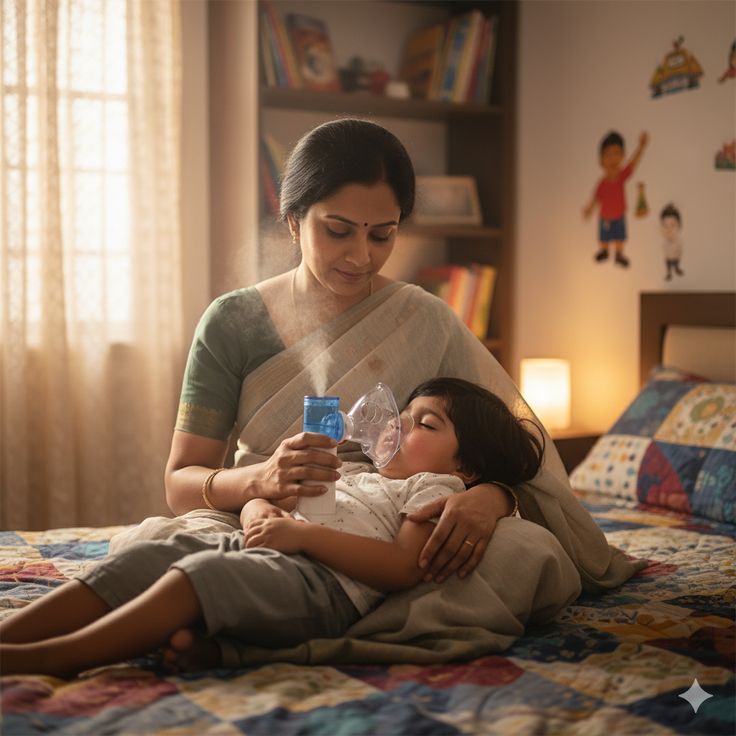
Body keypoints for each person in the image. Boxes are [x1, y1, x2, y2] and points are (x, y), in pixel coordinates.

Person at [118, 118, 641, 647]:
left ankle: (245, 628)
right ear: (294, 221)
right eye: (338, 230)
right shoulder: (231, 323)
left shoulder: (423, 319)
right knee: (163, 550)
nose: (360, 256)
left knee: (525, 552)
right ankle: (276, 619)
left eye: (382, 234)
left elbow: (505, 449)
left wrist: (493, 498)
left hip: (394, 528)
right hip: (261, 518)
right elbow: (181, 482)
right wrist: (260, 481)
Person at [0, 378, 545, 678]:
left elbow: (401, 568)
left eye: (426, 424)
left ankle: (52, 658)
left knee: (200, 575)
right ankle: (13, 635)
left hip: (321, 586)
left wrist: (302, 537)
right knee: (149, 560)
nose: (399, 425)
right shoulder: (355, 471)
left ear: (466, 467)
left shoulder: (437, 491)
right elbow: (276, 507)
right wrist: (261, 509)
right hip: (272, 554)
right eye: (403, 414)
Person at [583, 130, 649, 267]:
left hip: (619, 216)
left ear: (622, 157)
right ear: (601, 161)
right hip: (605, 217)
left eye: (617, 154)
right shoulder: (602, 183)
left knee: (620, 237)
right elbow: (596, 198)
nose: (613, 159)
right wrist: (589, 209)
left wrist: (641, 147)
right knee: (604, 237)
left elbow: (633, 164)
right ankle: (604, 250)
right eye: (608, 155)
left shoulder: (622, 177)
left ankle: (619, 255)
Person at [659, 203, 684, 281]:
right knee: (668, 265)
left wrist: (678, 255)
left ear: (679, 226)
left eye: (673, 225)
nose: (669, 230)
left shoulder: (679, 242)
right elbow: (664, 251)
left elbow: (680, 250)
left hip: (676, 257)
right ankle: (669, 273)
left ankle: (677, 269)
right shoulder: (664, 243)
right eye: (665, 226)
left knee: (676, 264)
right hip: (668, 258)